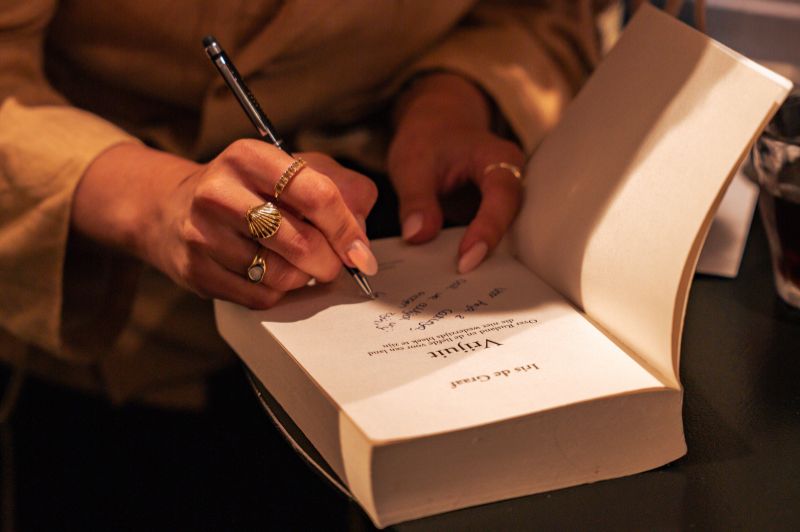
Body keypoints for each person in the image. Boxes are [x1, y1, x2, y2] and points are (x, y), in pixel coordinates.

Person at [0, 0, 628, 407]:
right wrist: (155, 201)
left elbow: (542, 10)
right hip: (115, 323)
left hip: (399, 228)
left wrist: (451, 98)